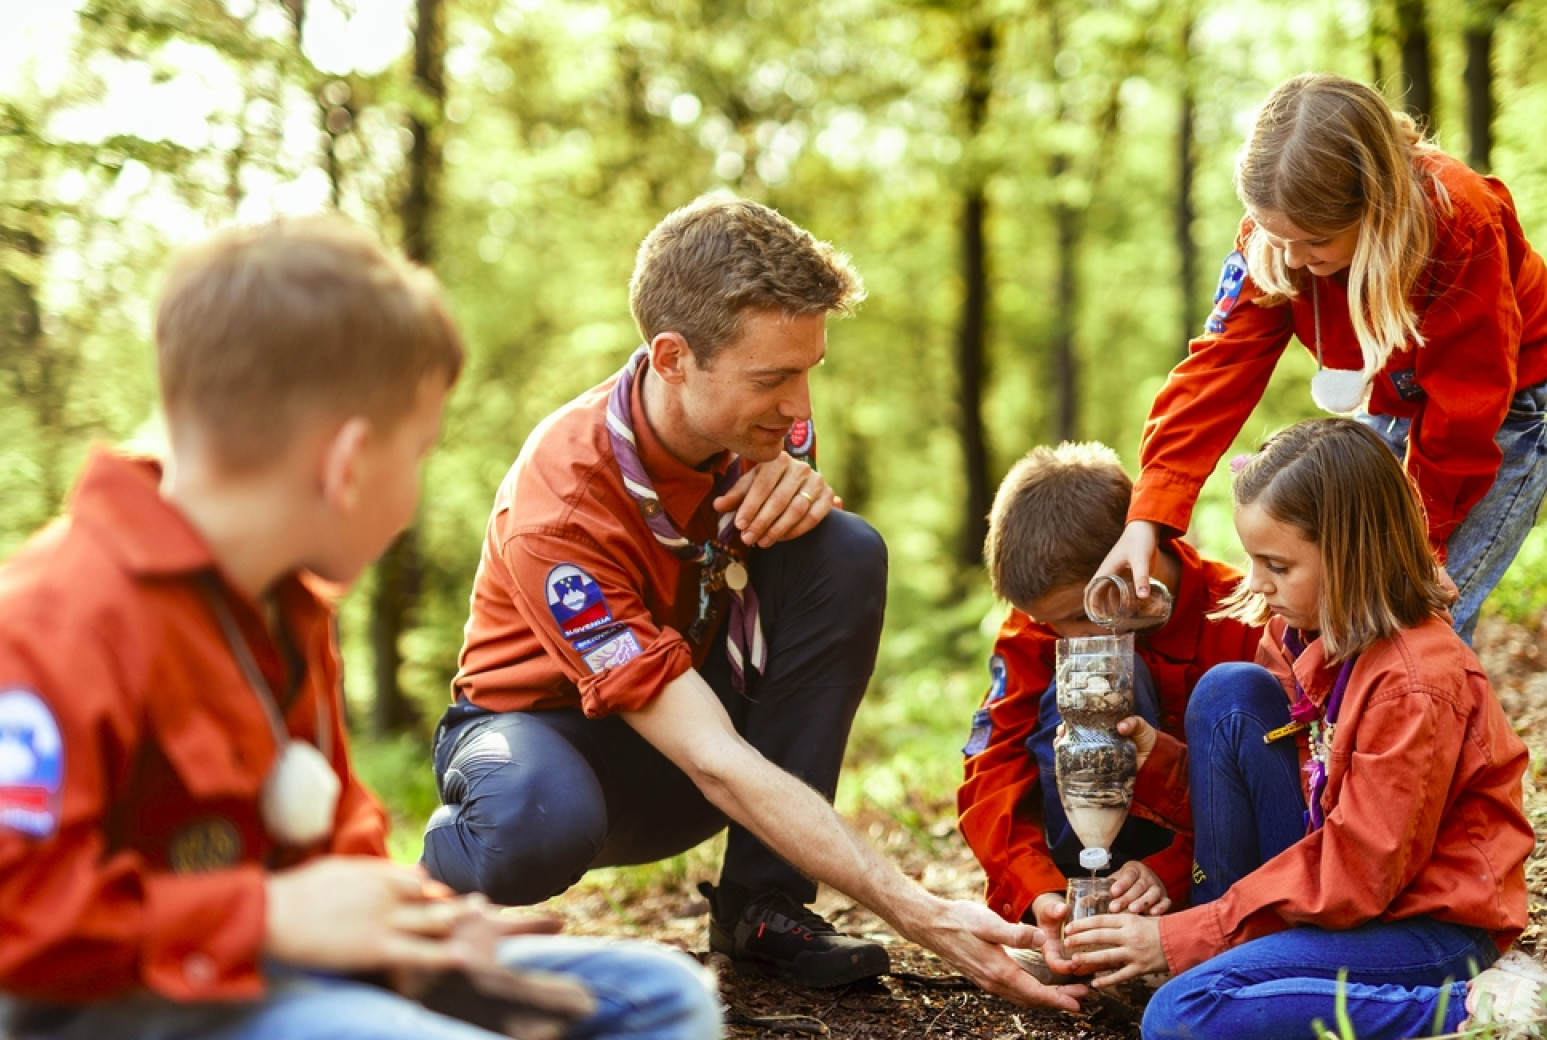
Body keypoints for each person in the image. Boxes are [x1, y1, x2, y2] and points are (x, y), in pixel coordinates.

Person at [0, 217, 723, 1040]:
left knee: (662, 997)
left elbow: (332, 838)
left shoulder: (286, 609)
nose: (413, 494)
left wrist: (416, 929)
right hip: (112, 1002)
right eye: (417, 454)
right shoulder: (55, 619)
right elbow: (18, 921)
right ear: (345, 466)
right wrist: (262, 918)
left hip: (274, 971)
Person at [419, 195, 1079, 1010]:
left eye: (808, 371)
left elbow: (760, 633)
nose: (801, 408)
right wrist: (918, 911)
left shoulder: (764, 429)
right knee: (534, 821)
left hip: (683, 731)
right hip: (543, 749)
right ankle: (422, 894)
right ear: (672, 358)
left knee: (842, 549)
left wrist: (800, 496)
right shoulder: (561, 511)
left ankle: (763, 906)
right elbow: (711, 757)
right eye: (772, 379)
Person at [1062, 418, 1547, 1038]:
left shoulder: (1415, 682)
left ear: (1350, 557)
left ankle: (1485, 1011)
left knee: (1179, 1017)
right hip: (1348, 902)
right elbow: (1273, 795)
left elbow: (1361, 871)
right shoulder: (1302, 636)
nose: (1255, 583)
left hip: (1426, 928)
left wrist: (1179, 937)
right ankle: (1220, 964)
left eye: (1277, 565)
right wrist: (1155, 759)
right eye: (1252, 560)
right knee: (1230, 693)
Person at [1100, 73, 1547, 644]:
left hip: (1506, 404)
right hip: (1393, 391)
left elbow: (1465, 405)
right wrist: (1148, 515)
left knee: (1407, 613)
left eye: (1315, 242)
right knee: (1331, 594)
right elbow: (1218, 370)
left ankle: (1423, 700)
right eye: (1277, 238)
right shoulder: (1278, 233)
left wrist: (1418, 540)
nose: (1292, 260)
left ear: (1375, 206)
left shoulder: (1460, 220)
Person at [956, 442, 1260, 959]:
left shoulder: (1242, 615)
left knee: (1123, 673)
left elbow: (1269, 788)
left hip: (1201, 863)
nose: (1070, 635)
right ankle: (1080, 914)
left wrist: (1168, 871)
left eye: (1081, 615)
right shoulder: (1041, 628)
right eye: (1053, 623)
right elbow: (994, 764)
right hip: (1074, 858)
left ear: (1136, 558)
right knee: (1082, 678)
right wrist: (1037, 890)